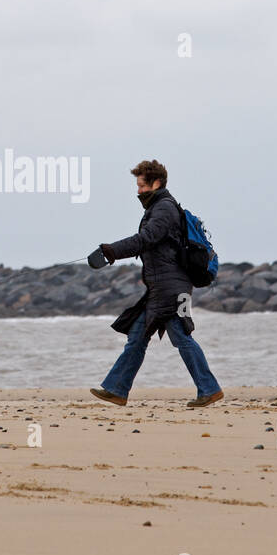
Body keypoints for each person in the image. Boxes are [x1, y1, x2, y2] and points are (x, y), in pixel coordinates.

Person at [90, 159, 224, 408]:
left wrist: (111, 251)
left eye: (141, 185)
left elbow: (146, 239)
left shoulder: (164, 209)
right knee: (137, 338)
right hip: (163, 288)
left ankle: (210, 389)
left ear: (157, 183)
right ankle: (117, 390)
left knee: (182, 338)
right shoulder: (160, 207)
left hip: (171, 290)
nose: (138, 191)